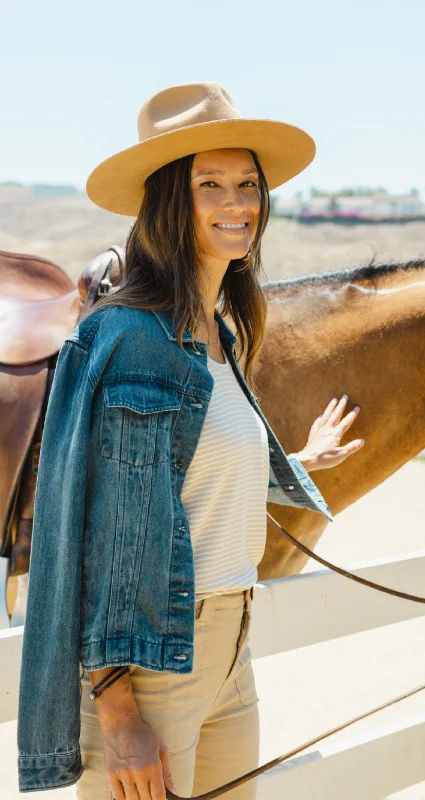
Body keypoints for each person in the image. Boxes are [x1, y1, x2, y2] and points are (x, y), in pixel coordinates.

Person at [17, 82, 365, 800]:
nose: (238, 202)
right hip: (152, 663)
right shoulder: (125, 337)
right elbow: (93, 532)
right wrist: (117, 712)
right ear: (173, 201)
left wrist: (295, 464)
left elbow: (180, 481)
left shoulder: (223, 335)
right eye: (212, 184)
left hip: (232, 643)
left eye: (247, 183)